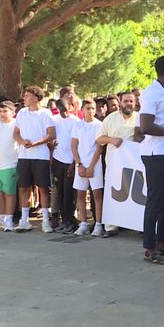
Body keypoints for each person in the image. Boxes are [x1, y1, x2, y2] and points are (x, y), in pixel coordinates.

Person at [138, 56, 164, 265]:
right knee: (155, 201)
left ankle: (162, 241)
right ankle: (150, 247)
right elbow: (145, 127)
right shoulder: (152, 93)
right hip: (155, 154)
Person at [96, 91, 141, 237]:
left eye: (131, 101)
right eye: (125, 101)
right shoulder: (110, 119)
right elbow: (100, 139)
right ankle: (111, 226)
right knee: (113, 194)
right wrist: (112, 140)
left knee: (137, 194)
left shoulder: (140, 118)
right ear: (120, 103)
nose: (128, 104)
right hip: (115, 164)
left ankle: (139, 226)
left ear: (135, 103)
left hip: (135, 166)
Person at [13, 86, 56, 233]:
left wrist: (36, 143)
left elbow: (51, 134)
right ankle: (24, 220)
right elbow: (16, 133)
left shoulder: (46, 113)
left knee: (43, 188)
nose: (24, 98)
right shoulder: (22, 113)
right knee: (23, 187)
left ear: (36, 98)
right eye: (25, 95)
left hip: (41, 156)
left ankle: (45, 221)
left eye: (27, 95)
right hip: (24, 156)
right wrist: (22, 141)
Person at [71, 100, 104, 237]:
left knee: (97, 194)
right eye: (87, 108)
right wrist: (79, 164)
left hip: (94, 164)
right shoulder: (78, 125)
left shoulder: (99, 125)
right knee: (81, 194)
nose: (90, 111)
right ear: (82, 110)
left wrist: (91, 166)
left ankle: (98, 224)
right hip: (81, 165)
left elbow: (99, 147)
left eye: (92, 108)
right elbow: (74, 145)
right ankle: (83, 223)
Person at [51, 98, 79, 233]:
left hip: (70, 161)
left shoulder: (76, 121)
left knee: (69, 192)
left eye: (65, 108)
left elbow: (78, 144)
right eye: (59, 109)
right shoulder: (54, 120)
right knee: (60, 191)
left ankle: (71, 220)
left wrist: (74, 163)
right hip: (57, 160)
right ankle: (64, 219)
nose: (63, 111)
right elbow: (49, 136)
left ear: (71, 107)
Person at [0, 101, 19, 231]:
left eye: (5, 111)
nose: (2, 114)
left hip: (10, 164)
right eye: (0, 111)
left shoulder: (17, 124)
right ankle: (1, 218)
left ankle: (9, 219)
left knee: (9, 192)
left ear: (13, 112)